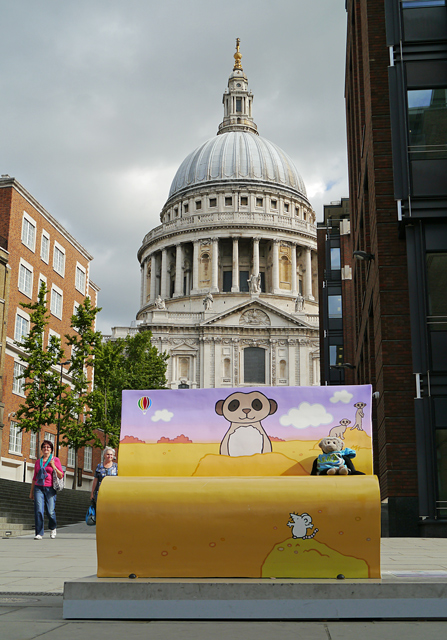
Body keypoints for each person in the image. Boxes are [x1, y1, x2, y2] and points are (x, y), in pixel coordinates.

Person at [29, 439, 64, 540]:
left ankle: (53, 527)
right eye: (44, 447)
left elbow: (61, 475)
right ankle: (39, 533)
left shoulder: (55, 460)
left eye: (48, 447)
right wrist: (31, 492)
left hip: (50, 488)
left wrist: (54, 467)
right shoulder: (37, 462)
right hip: (38, 488)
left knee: (50, 511)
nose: (46, 449)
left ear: (51, 450)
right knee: (39, 510)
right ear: (41, 449)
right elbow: (34, 478)